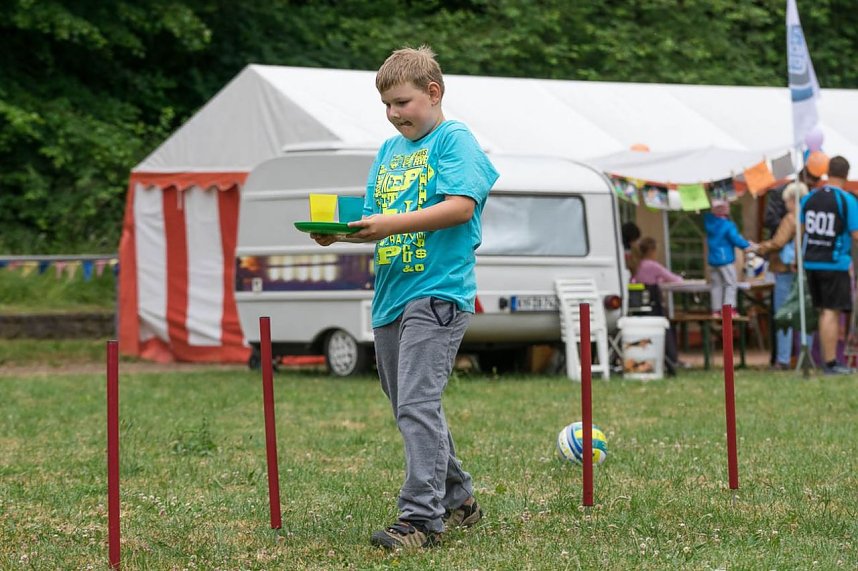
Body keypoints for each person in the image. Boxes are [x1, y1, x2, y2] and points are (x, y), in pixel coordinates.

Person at [310, 45, 499, 548]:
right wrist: (341, 235)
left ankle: (421, 519)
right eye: (387, 107)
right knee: (407, 405)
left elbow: (460, 208)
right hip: (391, 294)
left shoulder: (454, 140)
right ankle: (459, 497)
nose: (394, 115)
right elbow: (375, 224)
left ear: (433, 93)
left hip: (437, 293)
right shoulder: (389, 152)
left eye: (402, 103)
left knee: (417, 403)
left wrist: (387, 223)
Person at [800, 155, 858, 374]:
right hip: (834, 263)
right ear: (846, 174)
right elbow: (855, 233)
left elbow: (801, 228)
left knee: (822, 311)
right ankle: (831, 362)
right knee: (830, 312)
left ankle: (827, 361)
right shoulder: (847, 200)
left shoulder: (809, 198)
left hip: (811, 261)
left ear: (826, 171)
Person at [754, 182, 810, 370]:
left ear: (793, 200)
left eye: (786, 201)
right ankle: (807, 356)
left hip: (785, 270)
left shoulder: (790, 218)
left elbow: (778, 242)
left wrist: (758, 248)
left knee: (783, 314)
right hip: (806, 271)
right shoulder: (810, 218)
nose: (785, 205)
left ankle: (783, 359)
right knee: (805, 315)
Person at [704, 200, 755, 317]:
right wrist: (747, 245)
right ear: (725, 209)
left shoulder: (709, 223)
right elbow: (735, 239)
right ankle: (729, 310)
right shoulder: (727, 225)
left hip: (712, 259)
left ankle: (716, 310)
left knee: (716, 285)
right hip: (725, 258)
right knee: (730, 283)